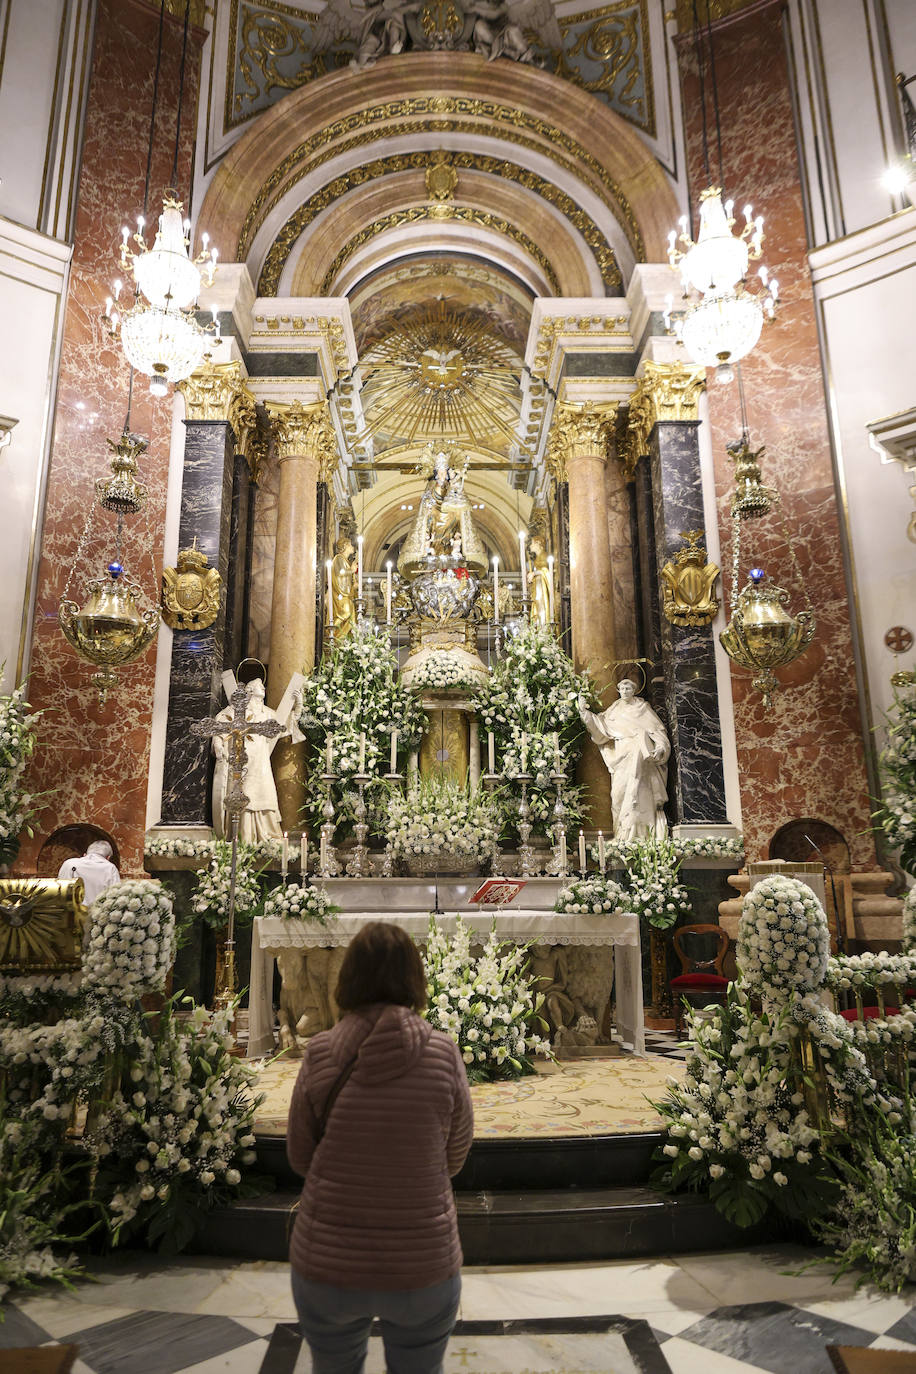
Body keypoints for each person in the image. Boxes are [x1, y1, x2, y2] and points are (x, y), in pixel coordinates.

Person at [287, 921, 474, 1374]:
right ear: (415, 977)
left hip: (328, 1261)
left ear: (347, 977)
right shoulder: (444, 1054)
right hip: (423, 1264)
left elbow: (300, 1156)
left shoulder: (320, 1052)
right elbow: (454, 1157)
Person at [578, 678, 671, 842]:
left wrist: (661, 747)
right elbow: (600, 727)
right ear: (619, 690)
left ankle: (643, 836)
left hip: (642, 758)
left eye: (629, 688)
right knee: (618, 794)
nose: (625, 691)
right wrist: (584, 712)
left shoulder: (643, 709)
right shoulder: (614, 711)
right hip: (622, 757)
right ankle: (622, 834)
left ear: (634, 690)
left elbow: (658, 732)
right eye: (622, 688)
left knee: (640, 794)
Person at [211, 677, 296, 844]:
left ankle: (265, 833)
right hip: (240, 760)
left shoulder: (267, 713)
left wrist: (298, 705)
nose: (263, 688)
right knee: (244, 791)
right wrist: (218, 743)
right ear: (249, 691)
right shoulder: (236, 709)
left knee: (264, 791)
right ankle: (243, 836)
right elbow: (220, 723)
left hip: (261, 761)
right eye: (259, 686)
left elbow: (285, 726)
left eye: (263, 687)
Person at [57, 839, 120, 904]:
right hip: (96, 912)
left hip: (70, 912)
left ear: (85, 854)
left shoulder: (69, 864)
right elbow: (115, 896)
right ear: (108, 858)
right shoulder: (110, 868)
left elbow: (59, 891)